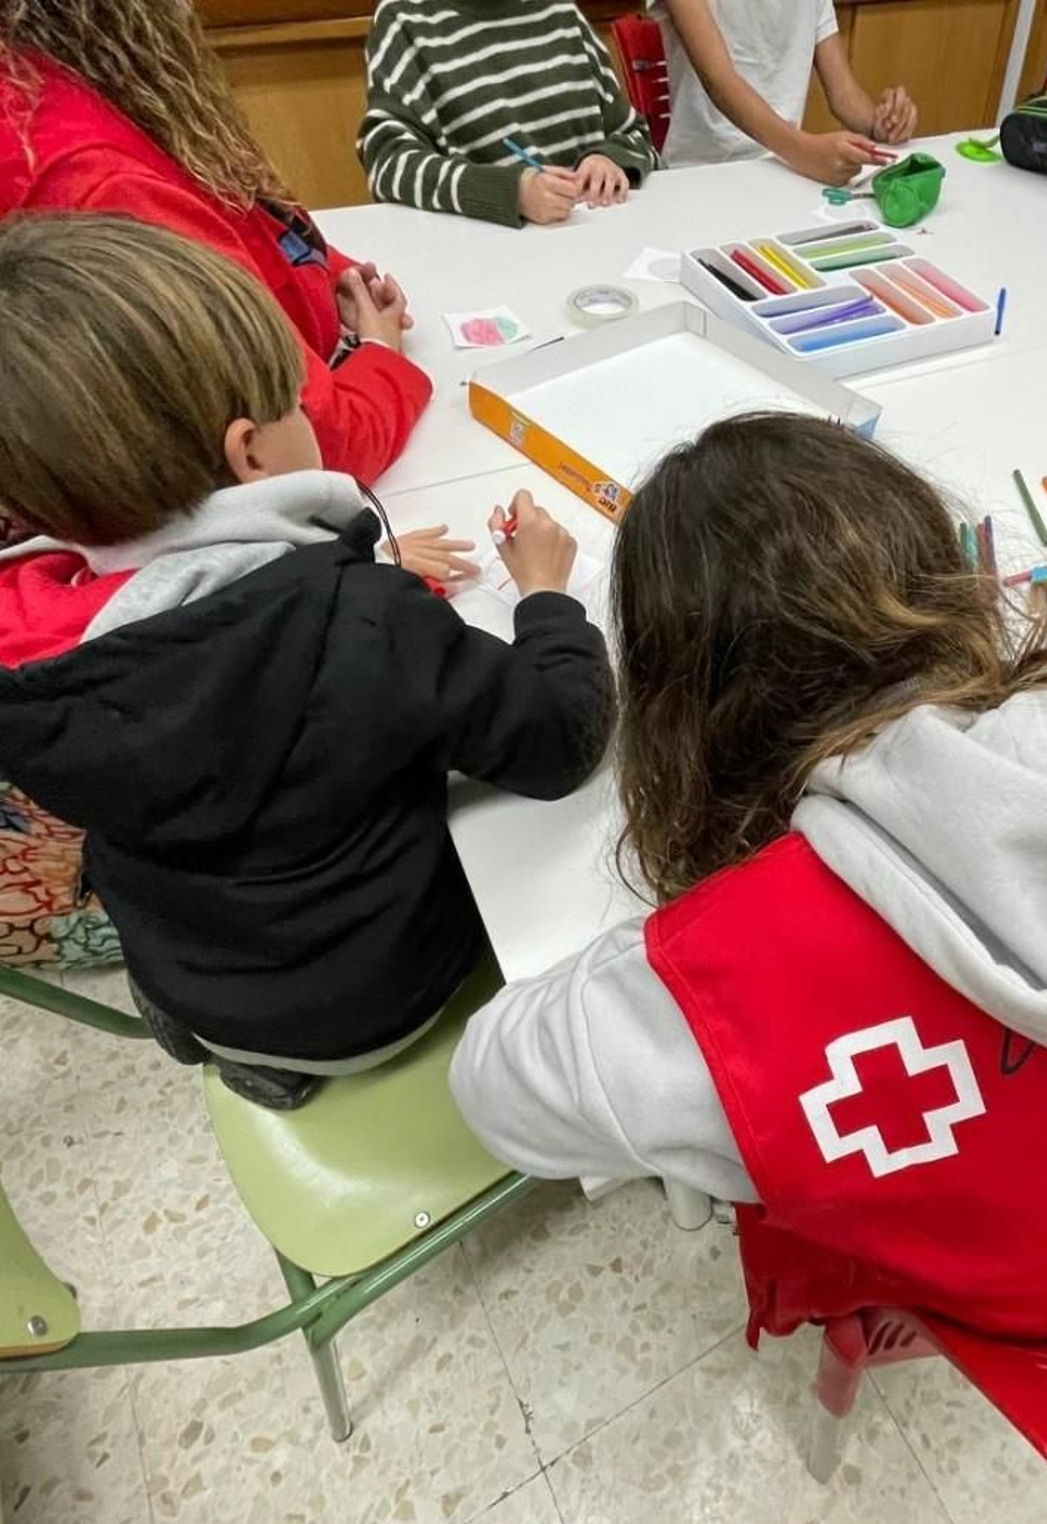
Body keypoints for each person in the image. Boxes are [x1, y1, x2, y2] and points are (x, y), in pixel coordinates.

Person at [451, 412, 1047, 1342]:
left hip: (1017, 1310)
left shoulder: (737, 970)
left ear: (679, 696)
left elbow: (494, 1091)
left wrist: (658, 957)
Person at [0, 213, 613, 1106]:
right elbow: (562, 740)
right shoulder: (367, 625)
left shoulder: (32, 651)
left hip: (193, 978)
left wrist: (332, 585)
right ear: (249, 453)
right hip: (379, 997)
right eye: (300, 396)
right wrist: (549, 599)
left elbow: (189, 656)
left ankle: (240, 1048)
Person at [0, 0, 430, 485]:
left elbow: (236, 215)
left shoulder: (69, 79)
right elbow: (304, 451)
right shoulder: (94, 175)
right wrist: (382, 355)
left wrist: (332, 272)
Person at [359, 0, 656, 227]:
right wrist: (510, 192)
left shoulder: (561, 12)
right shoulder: (404, 19)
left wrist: (610, 159)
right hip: (486, 260)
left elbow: (636, 135)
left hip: (595, 239)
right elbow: (388, 163)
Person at [650, 0, 917, 183]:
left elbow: (843, 95)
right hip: (702, 173)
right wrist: (803, 150)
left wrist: (880, 123)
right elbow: (718, 79)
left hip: (785, 170)